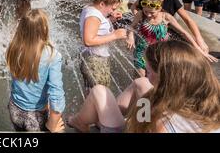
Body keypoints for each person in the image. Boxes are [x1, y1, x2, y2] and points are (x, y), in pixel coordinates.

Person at [66, 40, 220, 133]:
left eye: (149, 71)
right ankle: (106, 119)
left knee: (99, 91)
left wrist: (138, 121)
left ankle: (78, 121)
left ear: (165, 77)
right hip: (150, 122)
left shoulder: (164, 121)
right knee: (141, 84)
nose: (146, 73)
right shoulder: (208, 96)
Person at [6, 9, 65, 132]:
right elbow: (57, 94)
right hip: (36, 117)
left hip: (14, 109)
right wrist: (51, 127)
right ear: (44, 29)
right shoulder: (52, 55)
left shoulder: (14, 48)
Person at [127, 0, 215, 76]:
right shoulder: (141, 14)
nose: (148, 15)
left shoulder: (166, 17)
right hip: (142, 52)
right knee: (140, 79)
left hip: (161, 54)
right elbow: (131, 26)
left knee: (158, 81)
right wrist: (130, 36)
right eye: (146, 11)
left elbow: (184, 33)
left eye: (152, 12)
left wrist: (199, 50)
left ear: (159, 9)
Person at [131, 0, 211, 54]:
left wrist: (199, 39)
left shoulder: (171, 1)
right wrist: (138, 17)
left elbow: (188, 20)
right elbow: (134, 6)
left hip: (163, 33)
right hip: (146, 31)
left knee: (196, 49)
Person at [79, 0, 127, 91]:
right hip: (94, 60)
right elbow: (88, 40)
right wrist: (115, 35)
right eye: (112, 8)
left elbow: (98, 30)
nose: (112, 11)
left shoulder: (94, 11)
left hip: (96, 58)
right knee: (99, 94)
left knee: (96, 93)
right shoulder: (93, 16)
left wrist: (110, 19)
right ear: (102, 4)